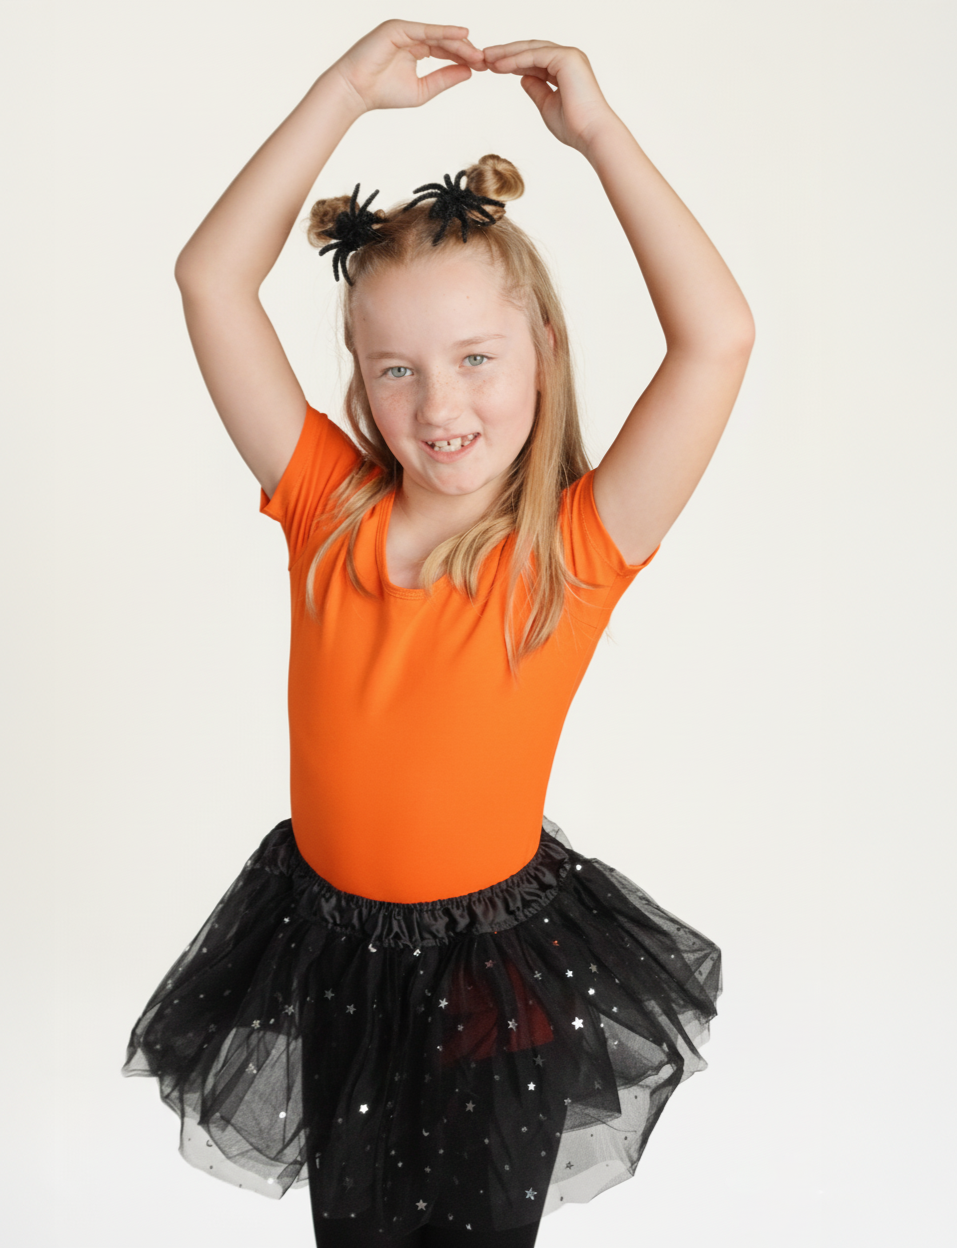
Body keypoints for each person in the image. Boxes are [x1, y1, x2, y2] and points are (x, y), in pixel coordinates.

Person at [123, 20, 753, 1248]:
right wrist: (342, 94)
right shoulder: (325, 511)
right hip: (331, 950)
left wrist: (600, 138)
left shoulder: (569, 553)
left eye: (475, 357)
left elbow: (717, 340)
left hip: (493, 982)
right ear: (357, 381)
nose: (442, 402)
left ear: (543, 355)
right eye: (397, 368)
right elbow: (211, 280)